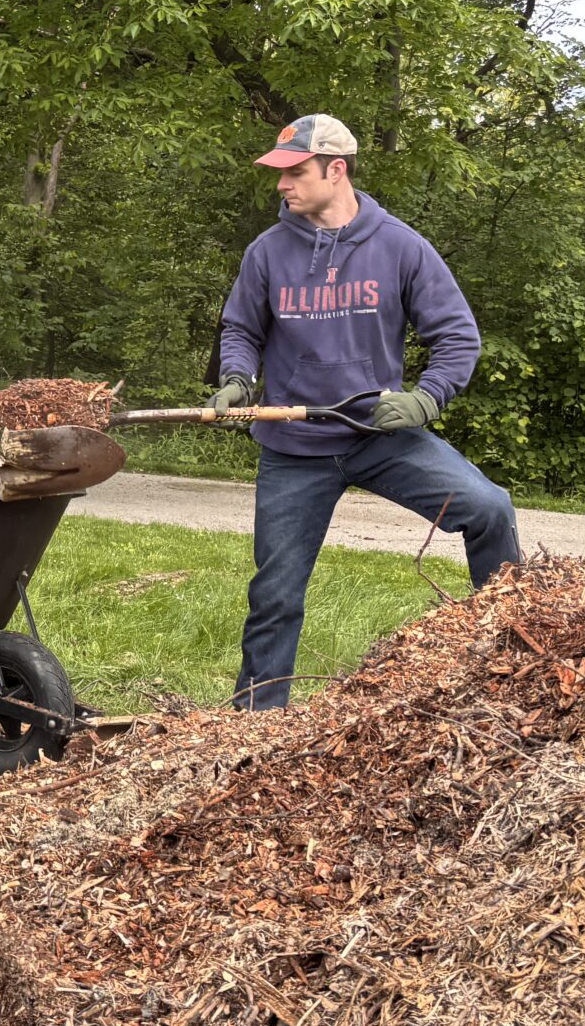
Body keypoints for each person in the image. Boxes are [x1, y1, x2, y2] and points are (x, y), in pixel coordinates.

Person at [214, 113, 520, 710]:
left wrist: (425, 399)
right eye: (279, 174)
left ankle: (505, 662)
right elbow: (241, 328)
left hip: (377, 435)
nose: (282, 185)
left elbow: (457, 336)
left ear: (336, 170)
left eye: (294, 172)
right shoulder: (267, 252)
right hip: (293, 449)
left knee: (489, 508)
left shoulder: (400, 246)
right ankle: (255, 719)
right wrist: (235, 378)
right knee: (275, 593)